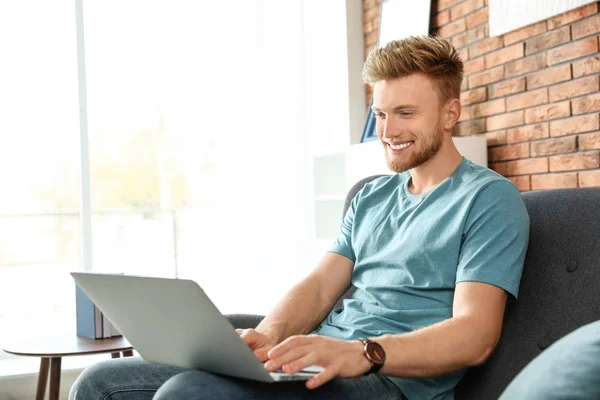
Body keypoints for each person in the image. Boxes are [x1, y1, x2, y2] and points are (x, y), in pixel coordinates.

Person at [70, 35, 530, 400]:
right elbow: (318, 287)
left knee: (188, 393)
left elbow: (475, 335)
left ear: (451, 113)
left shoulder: (489, 199)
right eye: (381, 114)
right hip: (319, 363)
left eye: (406, 113)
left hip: (388, 382)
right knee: (98, 382)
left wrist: (363, 353)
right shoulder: (371, 196)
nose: (388, 132)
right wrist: (266, 336)